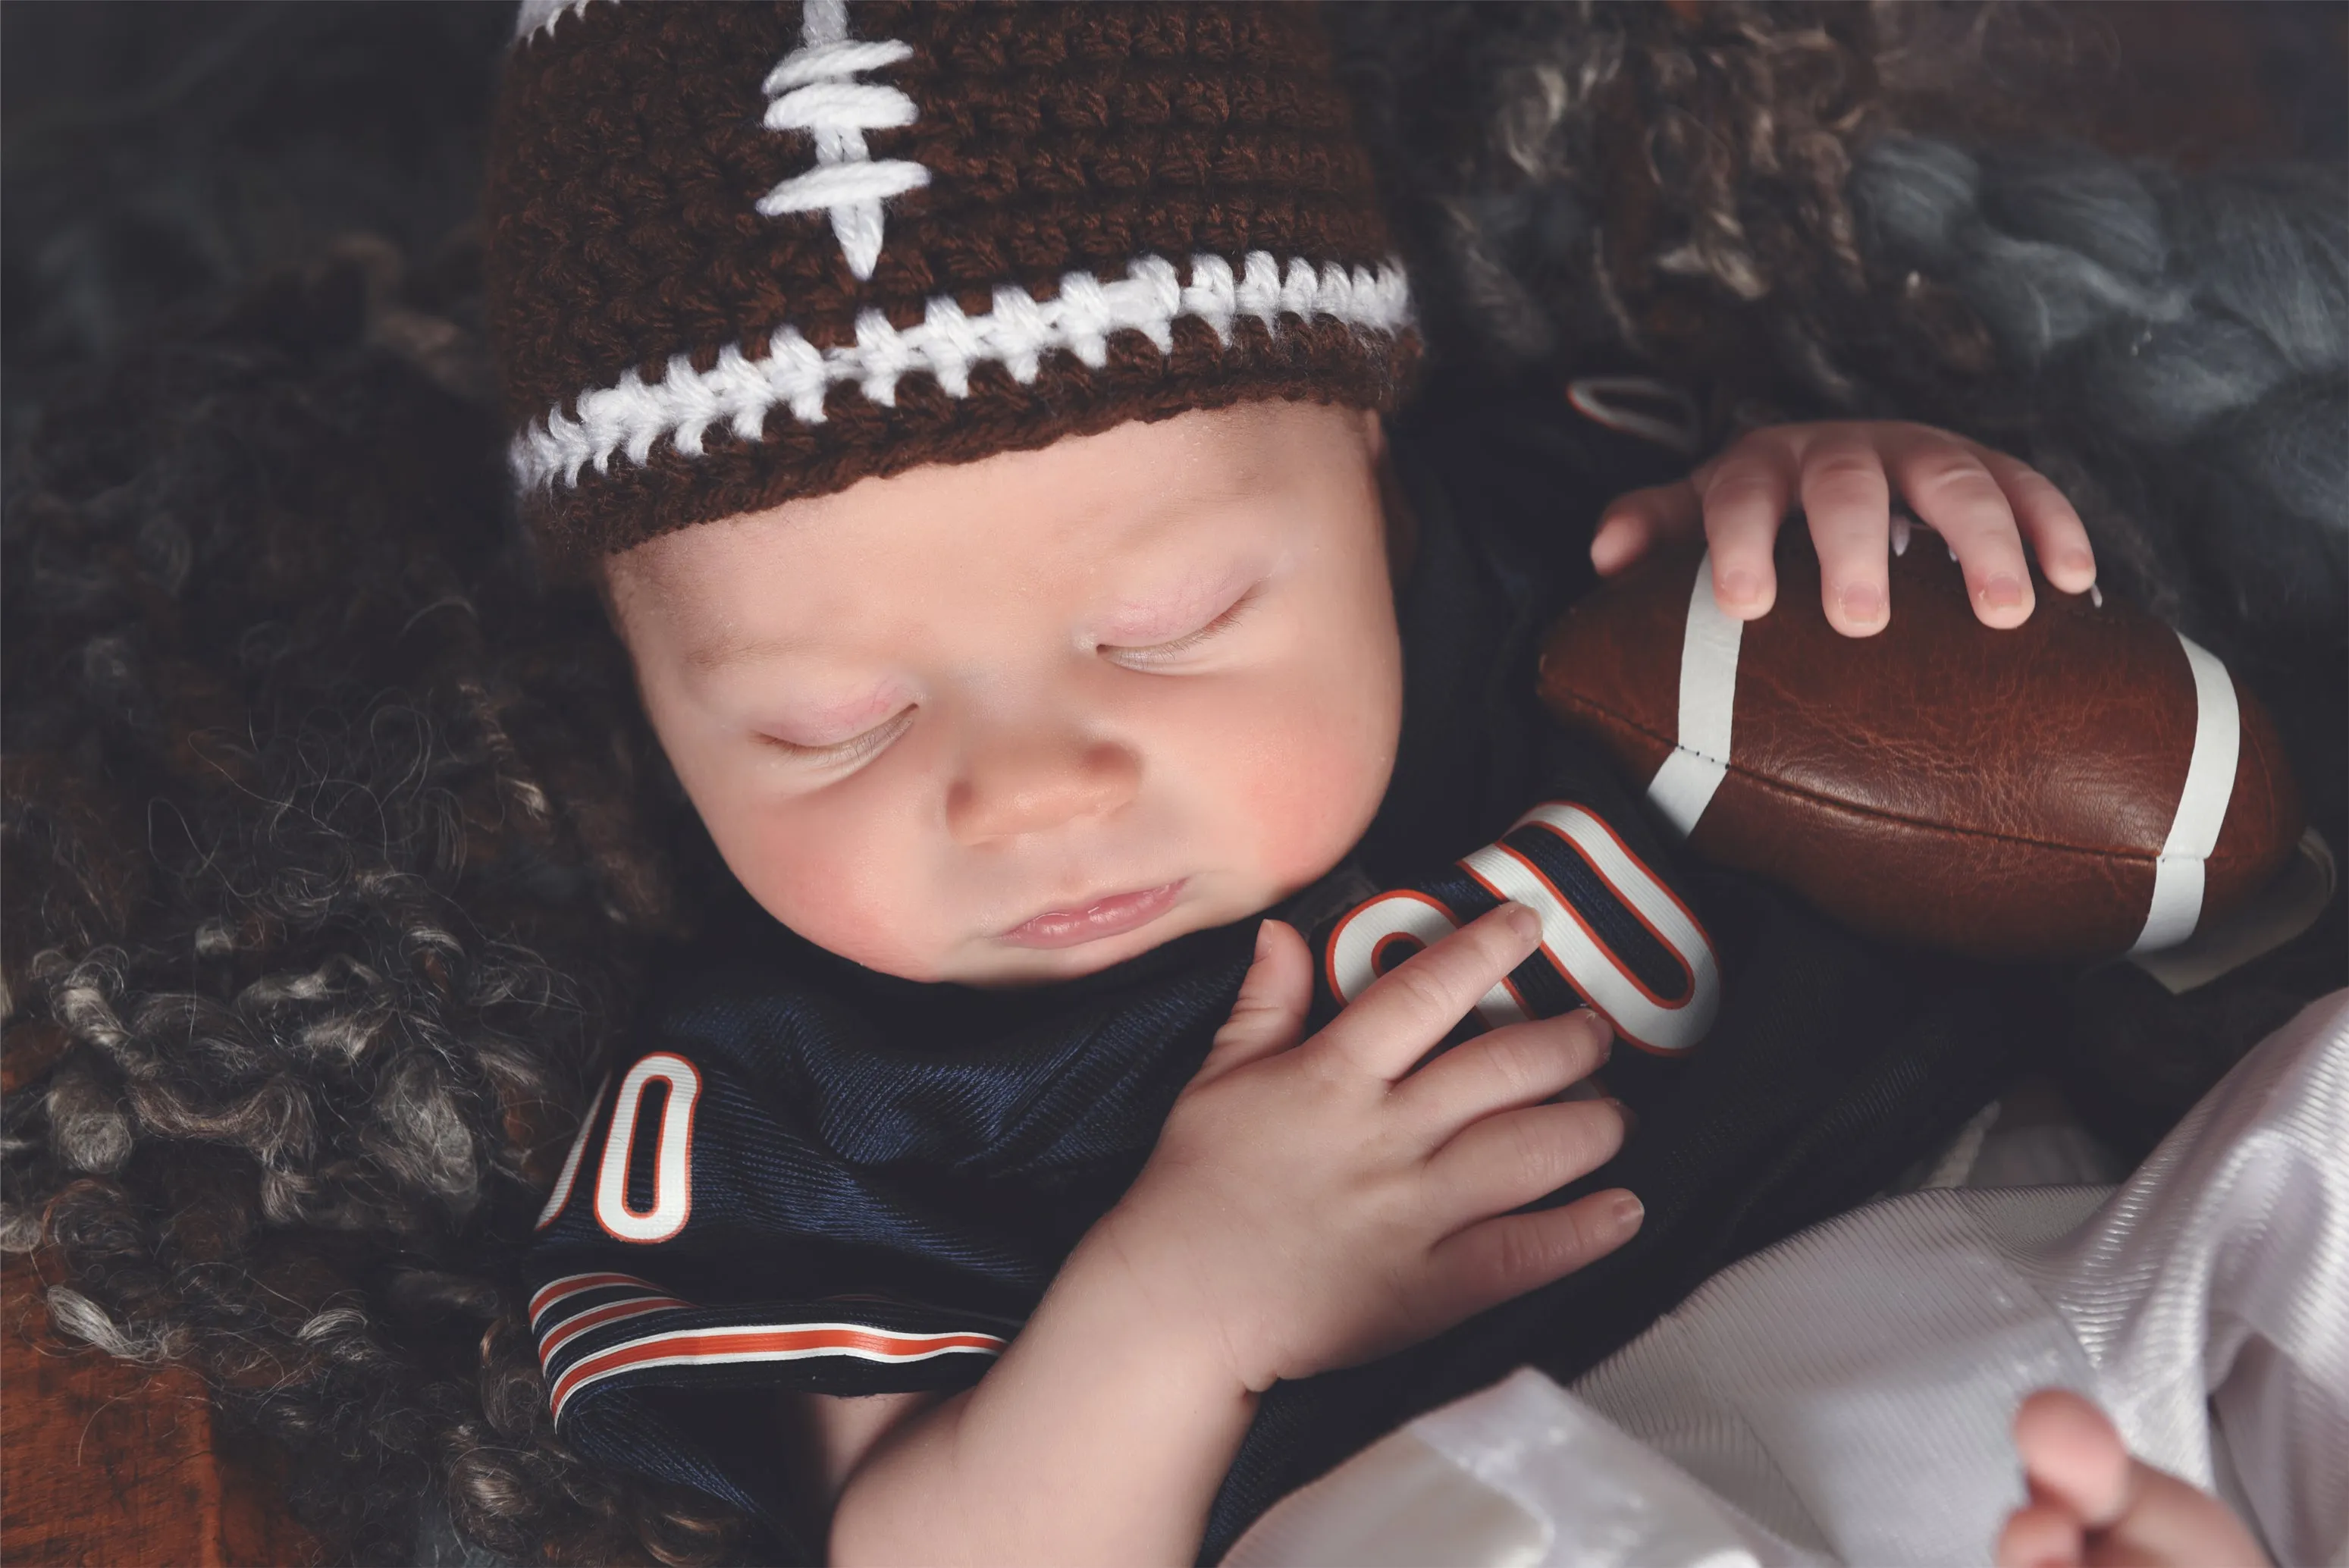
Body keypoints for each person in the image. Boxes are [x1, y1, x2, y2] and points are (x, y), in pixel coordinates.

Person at [485, 4, 2111, 1561]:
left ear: (1369, 463)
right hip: (1513, 1495)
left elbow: (1891, 620)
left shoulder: (1559, 549)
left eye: (1168, 626)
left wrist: (1847, 499)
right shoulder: (813, 1104)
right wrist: (1177, 1307)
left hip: (2066, 1245)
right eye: (826, 721)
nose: (1034, 790)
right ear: (649, 698)